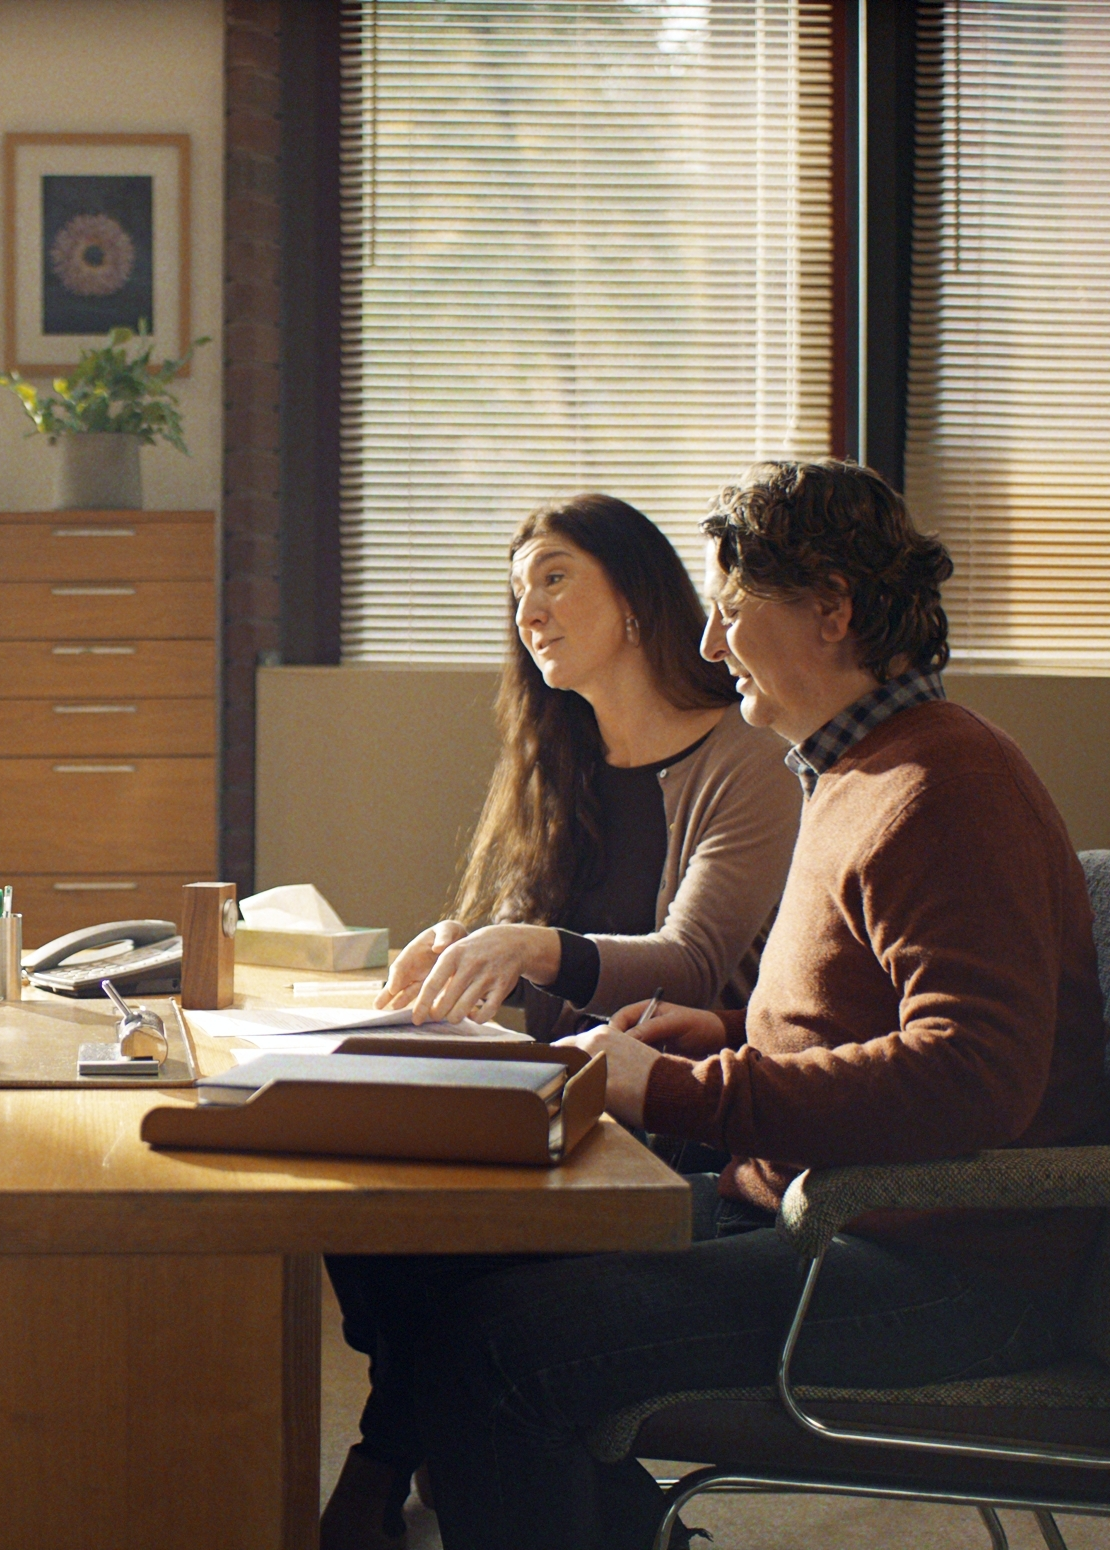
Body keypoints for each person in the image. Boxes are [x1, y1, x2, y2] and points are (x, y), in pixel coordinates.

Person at [402, 460, 1110, 1550]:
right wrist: (726, 1034)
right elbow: (875, 1023)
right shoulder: (855, 772)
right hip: (819, 1207)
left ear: (831, 609)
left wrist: (689, 1087)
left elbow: (976, 1074)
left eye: (732, 614)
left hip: (938, 1264)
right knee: (460, 1265)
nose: (707, 645)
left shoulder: (947, 785)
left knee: (506, 1344)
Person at [324, 495, 802, 1549]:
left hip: (678, 1120)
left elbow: (691, 962)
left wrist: (527, 942)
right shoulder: (556, 756)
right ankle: (592, 1506)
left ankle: (390, 1460)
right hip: (555, 1097)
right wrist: (471, 939)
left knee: (449, 1268)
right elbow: (550, 1000)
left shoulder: (745, 759)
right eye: (516, 590)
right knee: (355, 1196)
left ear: (635, 595)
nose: (527, 609)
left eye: (553, 577)